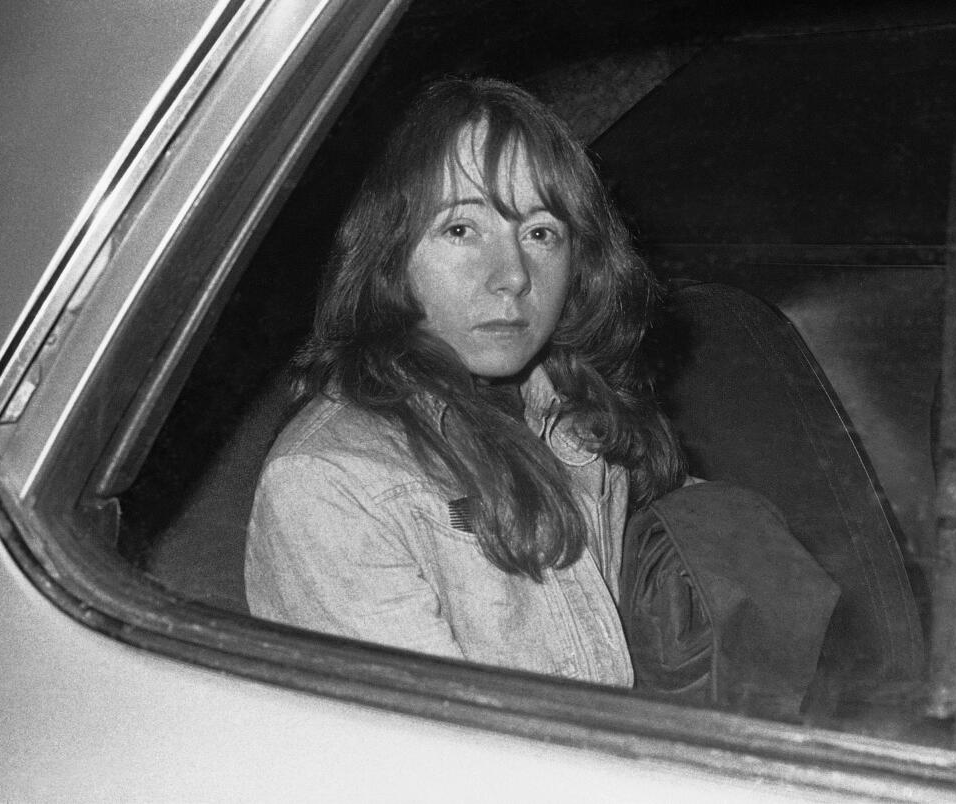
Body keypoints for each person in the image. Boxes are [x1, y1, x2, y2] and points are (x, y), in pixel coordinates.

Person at [244, 77, 686, 687]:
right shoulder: (328, 483)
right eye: (461, 230)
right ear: (389, 254)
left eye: (540, 233)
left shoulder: (572, 412)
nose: (513, 277)